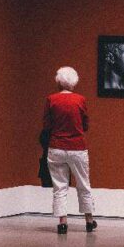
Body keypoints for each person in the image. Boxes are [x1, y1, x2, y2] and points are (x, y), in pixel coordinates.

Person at [42, 66, 96, 234]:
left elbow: (47, 124)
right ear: (74, 82)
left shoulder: (51, 99)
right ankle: (89, 220)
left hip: (56, 147)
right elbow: (85, 124)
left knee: (60, 187)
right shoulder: (80, 100)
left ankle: (62, 222)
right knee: (83, 184)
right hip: (77, 147)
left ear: (58, 82)